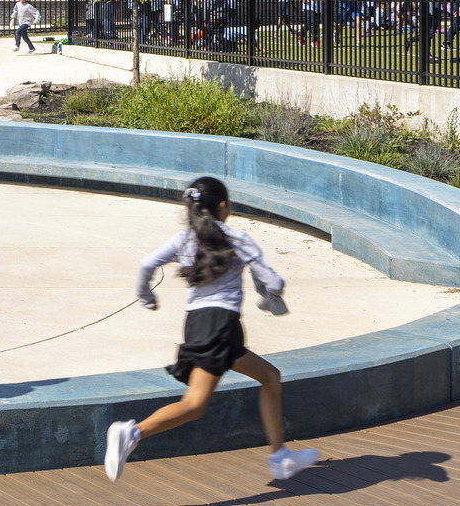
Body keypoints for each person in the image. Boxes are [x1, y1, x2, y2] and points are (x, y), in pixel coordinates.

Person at [103, 176, 315, 485]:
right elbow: (274, 283)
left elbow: (146, 263)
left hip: (197, 323)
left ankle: (280, 457)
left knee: (270, 377)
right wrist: (270, 299)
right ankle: (132, 432)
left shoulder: (184, 239)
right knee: (194, 405)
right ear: (223, 206)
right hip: (222, 326)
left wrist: (147, 296)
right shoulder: (238, 239)